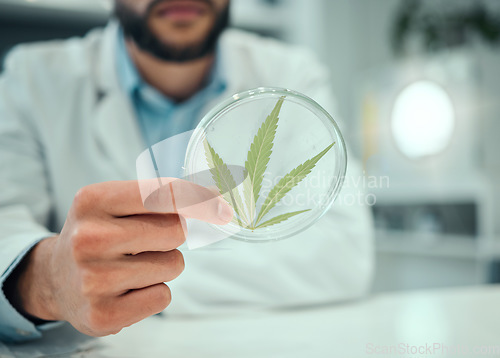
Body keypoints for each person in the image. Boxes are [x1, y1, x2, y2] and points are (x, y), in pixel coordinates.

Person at [0, 0, 374, 343]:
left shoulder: (293, 72)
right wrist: (48, 279)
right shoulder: (31, 77)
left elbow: (343, 255)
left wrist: (128, 278)